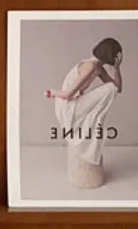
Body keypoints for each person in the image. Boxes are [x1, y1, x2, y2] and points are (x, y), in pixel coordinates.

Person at [45, 38, 123, 180]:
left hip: (75, 103)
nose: (118, 58)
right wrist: (53, 93)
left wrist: (117, 69)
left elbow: (118, 89)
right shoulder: (90, 66)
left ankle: (95, 118)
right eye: (116, 55)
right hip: (68, 107)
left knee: (111, 88)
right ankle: (95, 119)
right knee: (110, 88)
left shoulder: (98, 68)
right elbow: (69, 94)